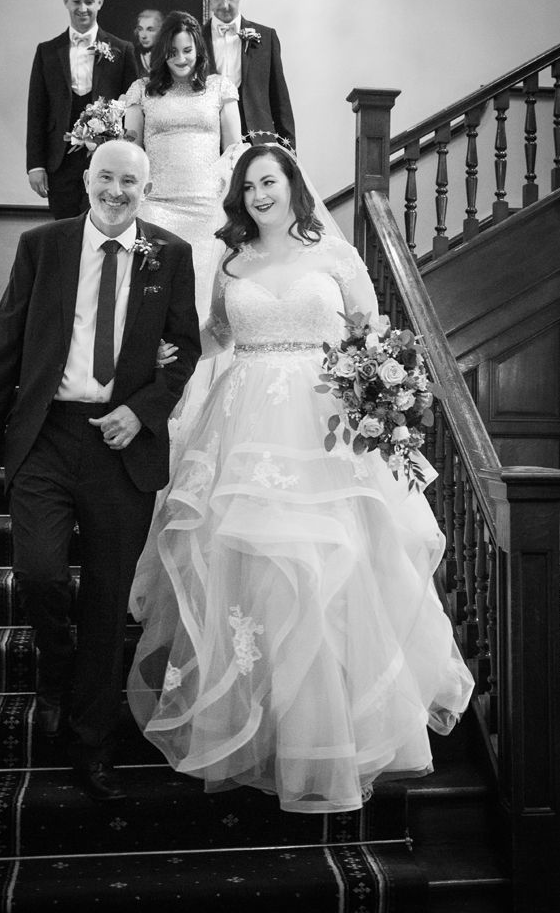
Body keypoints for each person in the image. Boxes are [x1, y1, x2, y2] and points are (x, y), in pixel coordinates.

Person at [126, 144, 474, 814]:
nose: (258, 193)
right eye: (248, 185)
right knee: (252, 577)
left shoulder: (333, 257)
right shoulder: (229, 261)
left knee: (329, 572)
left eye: (269, 180)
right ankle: (260, 728)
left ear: (292, 185)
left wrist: (382, 395)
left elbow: (368, 335)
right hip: (244, 428)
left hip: (323, 432)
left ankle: (328, 737)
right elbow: (214, 336)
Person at [0, 139, 201, 803]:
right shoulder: (43, 246)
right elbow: (5, 340)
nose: (116, 190)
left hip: (120, 447)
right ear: (87, 181)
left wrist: (144, 410)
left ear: (144, 188)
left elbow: (183, 347)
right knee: (39, 573)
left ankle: (91, 744)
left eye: (130, 180)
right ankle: (54, 667)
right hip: (44, 436)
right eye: (106, 177)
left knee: (104, 601)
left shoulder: (167, 255)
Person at [123, 10, 242, 318]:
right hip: (157, 206)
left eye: (187, 50)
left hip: (207, 207)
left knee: (202, 296)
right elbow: (131, 149)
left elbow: (233, 150)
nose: (180, 58)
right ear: (163, 53)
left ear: (198, 50)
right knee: (156, 293)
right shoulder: (142, 90)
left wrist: (228, 199)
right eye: (172, 52)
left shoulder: (219, 87)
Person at [26, 0, 138, 220]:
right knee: (64, 230)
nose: (82, 8)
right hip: (60, 161)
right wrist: (35, 164)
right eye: (76, 1)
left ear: (100, 2)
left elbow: (135, 108)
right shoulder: (47, 52)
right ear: (66, 0)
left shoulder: (122, 50)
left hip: (107, 159)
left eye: (89, 1)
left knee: (102, 225)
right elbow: (37, 110)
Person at [202, 0, 296, 151]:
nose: (224, 4)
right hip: (207, 140)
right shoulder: (193, 39)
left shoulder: (267, 37)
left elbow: (280, 101)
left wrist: (290, 153)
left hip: (257, 139)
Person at [133, 9, 164, 76]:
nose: (143, 36)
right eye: (140, 29)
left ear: (160, 32)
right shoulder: (132, 54)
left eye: (150, 30)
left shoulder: (168, 55)